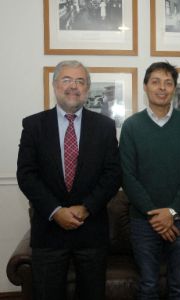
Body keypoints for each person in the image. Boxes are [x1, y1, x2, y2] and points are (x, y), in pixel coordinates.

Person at [16, 60, 121, 300]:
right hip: (49, 231)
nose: (73, 86)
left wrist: (85, 208)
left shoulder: (105, 126)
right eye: (67, 79)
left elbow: (113, 174)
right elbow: (26, 174)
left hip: (91, 231)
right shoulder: (33, 125)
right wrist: (56, 211)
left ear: (87, 88)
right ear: (54, 85)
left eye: (80, 81)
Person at [119, 62, 180, 299]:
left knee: (179, 286)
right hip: (143, 222)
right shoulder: (132, 126)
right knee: (148, 286)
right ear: (145, 86)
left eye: (168, 83)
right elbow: (127, 175)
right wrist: (156, 215)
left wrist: (172, 211)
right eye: (155, 81)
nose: (162, 88)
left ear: (174, 88)